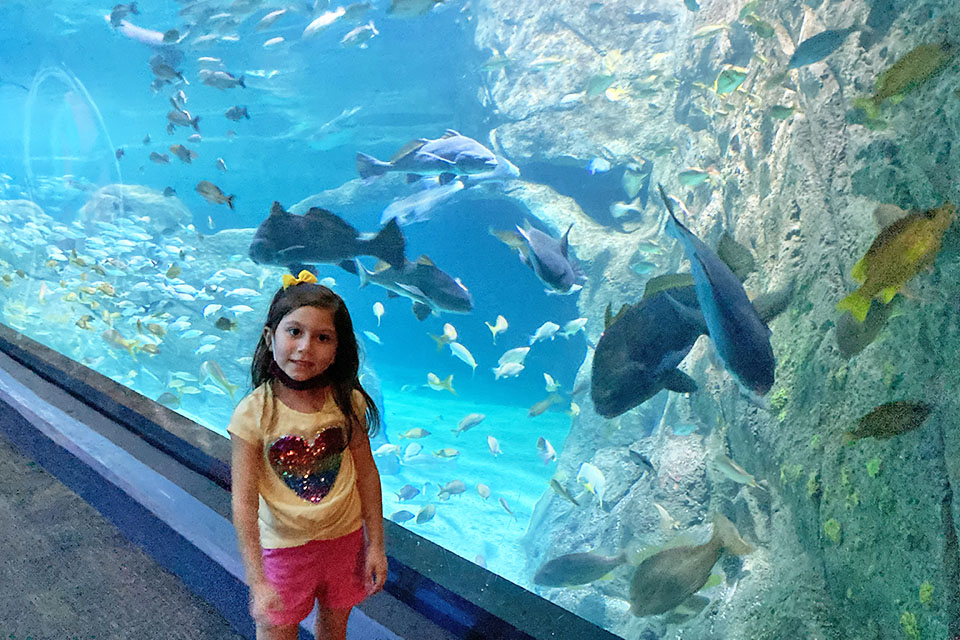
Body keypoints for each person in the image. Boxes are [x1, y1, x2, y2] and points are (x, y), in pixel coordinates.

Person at [228, 270, 388, 640]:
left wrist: (375, 544)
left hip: (345, 541)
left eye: (322, 337)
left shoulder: (348, 402)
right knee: (276, 630)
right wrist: (257, 581)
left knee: (335, 630)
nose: (304, 347)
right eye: (294, 332)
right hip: (284, 552)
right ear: (270, 337)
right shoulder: (253, 415)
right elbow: (243, 504)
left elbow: (367, 474)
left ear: (337, 351)